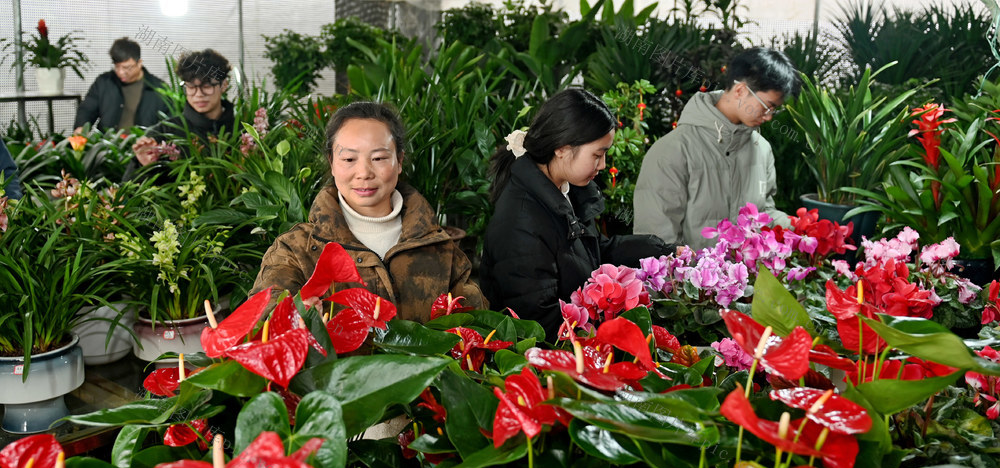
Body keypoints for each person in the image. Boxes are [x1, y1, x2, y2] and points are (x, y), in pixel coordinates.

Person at [251, 101, 485, 323]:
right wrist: (293, 317)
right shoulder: (295, 249)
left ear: (399, 161)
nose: (364, 173)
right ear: (332, 163)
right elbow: (261, 321)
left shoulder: (440, 248)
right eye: (349, 159)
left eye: (379, 158)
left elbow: (477, 326)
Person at [480, 88, 671, 340]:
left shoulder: (565, 191)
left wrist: (664, 252)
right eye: (597, 155)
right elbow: (538, 324)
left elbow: (594, 252)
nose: (603, 165)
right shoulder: (521, 222)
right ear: (561, 148)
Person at [633, 47, 801, 252]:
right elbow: (657, 242)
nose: (768, 117)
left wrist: (802, 228)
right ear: (740, 90)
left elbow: (764, 213)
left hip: (749, 273)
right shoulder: (673, 150)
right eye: (767, 106)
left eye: (774, 110)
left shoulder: (762, 149)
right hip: (691, 274)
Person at [124, 49, 236, 182]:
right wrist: (146, 166)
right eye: (191, 86)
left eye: (207, 86)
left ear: (223, 85)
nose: (199, 94)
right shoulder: (163, 133)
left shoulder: (242, 132)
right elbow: (128, 188)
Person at [74, 37, 169, 131]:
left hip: (144, 141)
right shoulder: (104, 82)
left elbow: (169, 124)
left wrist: (154, 139)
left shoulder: (159, 88)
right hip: (108, 140)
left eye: (126, 68)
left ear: (139, 63)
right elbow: (87, 110)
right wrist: (81, 128)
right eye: (117, 67)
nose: (120, 72)